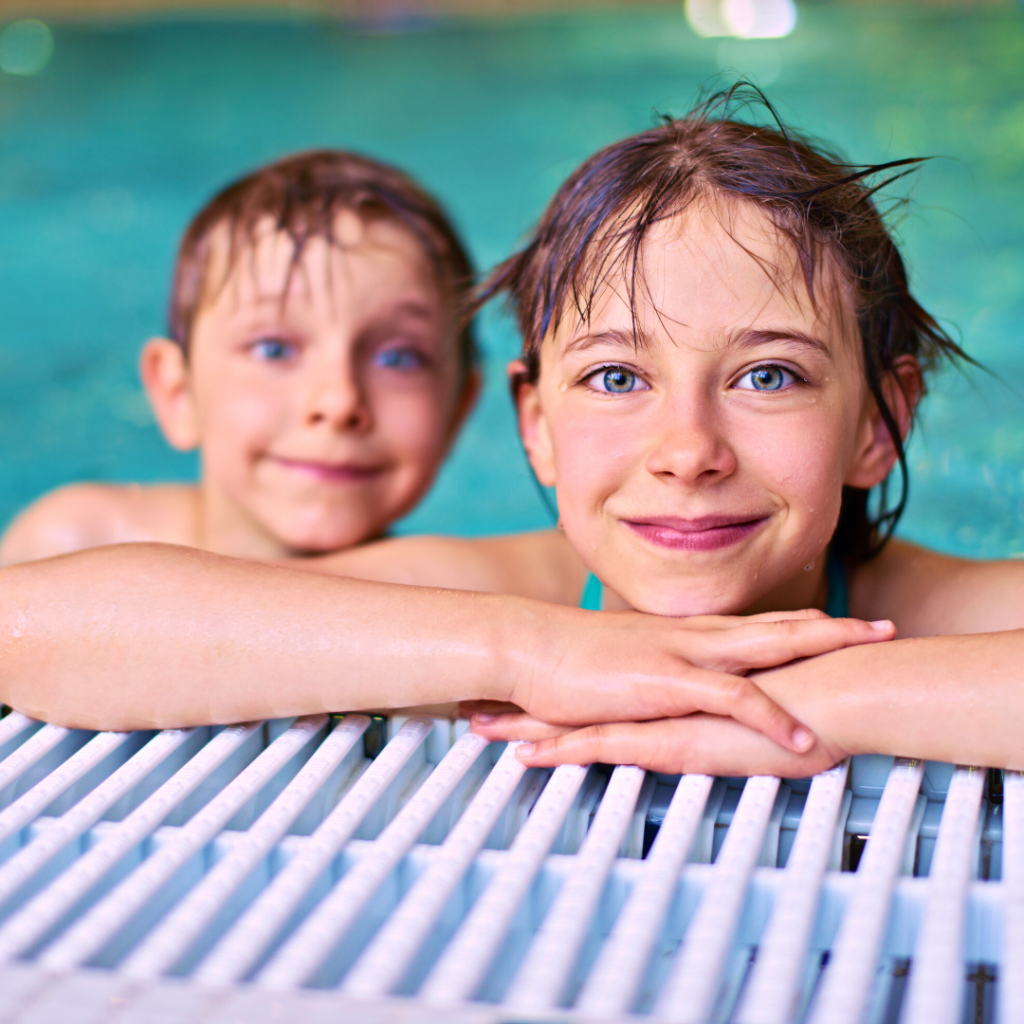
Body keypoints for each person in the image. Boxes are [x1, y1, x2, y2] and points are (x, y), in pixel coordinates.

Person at [2, 91, 1022, 778]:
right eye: (616, 377)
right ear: (534, 423)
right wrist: (531, 648)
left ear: (880, 421)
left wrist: (796, 701)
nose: (686, 450)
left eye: (768, 375)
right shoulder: (496, 599)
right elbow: (30, 624)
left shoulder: (929, 609)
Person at [0, 150, 480, 565]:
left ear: (458, 411)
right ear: (177, 392)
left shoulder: (462, 610)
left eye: (399, 358)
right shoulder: (72, 548)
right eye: (274, 349)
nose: (338, 401)